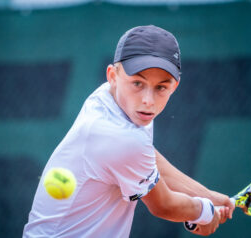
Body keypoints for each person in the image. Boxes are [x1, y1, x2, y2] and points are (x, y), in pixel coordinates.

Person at [23, 25, 235, 238]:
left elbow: (147, 157)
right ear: (112, 75)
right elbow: (163, 205)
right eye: (137, 83)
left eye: (161, 87)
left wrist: (207, 195)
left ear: (174, 86)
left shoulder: (113, 99)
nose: (148, 100)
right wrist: (204, 212)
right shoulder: (118, 137)